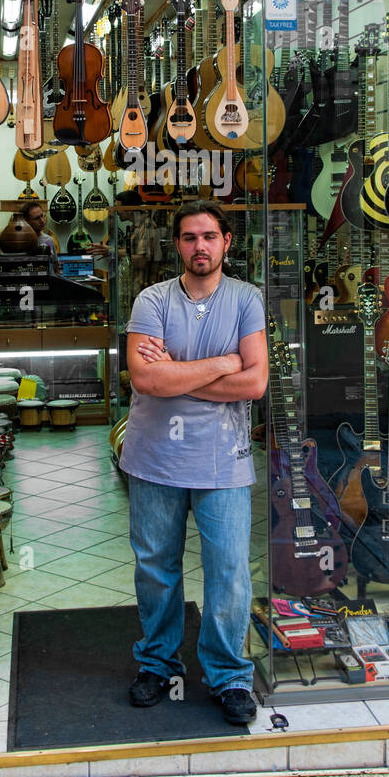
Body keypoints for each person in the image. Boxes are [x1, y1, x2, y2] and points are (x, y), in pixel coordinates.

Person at [123, 200, 268, 725]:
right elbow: (147, 380)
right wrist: (223, 365)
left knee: (228, 573)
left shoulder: (247, 300)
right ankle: (158, 665)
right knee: (156, 569)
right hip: (154, 459)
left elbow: (255, 383)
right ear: (177, 244)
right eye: (189, 238)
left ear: (227, 241)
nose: (199, 246)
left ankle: (229, 677)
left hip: (224, 463)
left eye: (209, 236)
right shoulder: (152, 300)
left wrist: (182, 374)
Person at [19, 200, 60, 272]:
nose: (42, 221)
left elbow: (55, 269)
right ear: (26, 221)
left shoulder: (49, 240)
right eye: (36, 218)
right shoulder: (19, 241)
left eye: (42, 216)